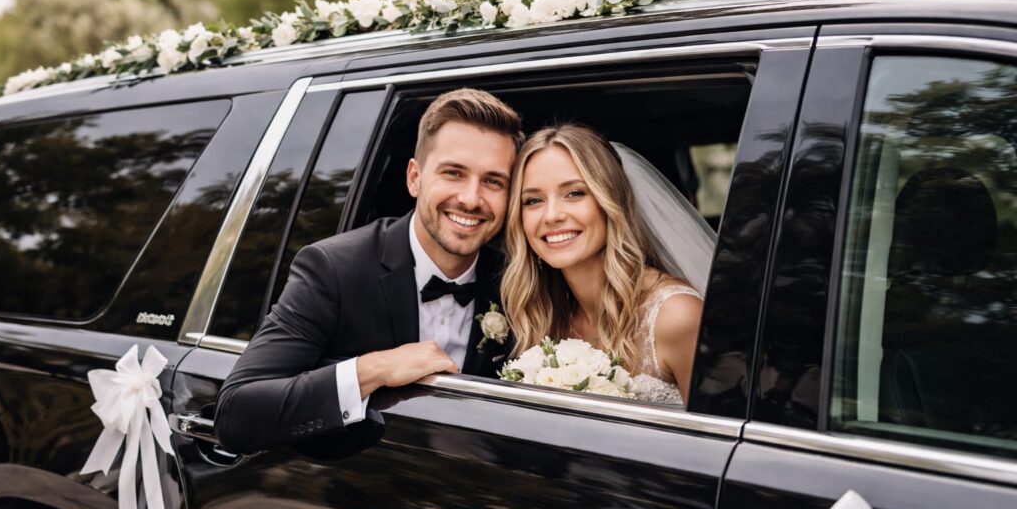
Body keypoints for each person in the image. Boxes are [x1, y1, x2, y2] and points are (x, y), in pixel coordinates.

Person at [215, 88, 523, 453]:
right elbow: (236, 414)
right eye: (453, 173)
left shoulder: (517, 283)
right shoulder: (332, 269)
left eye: (493, 181)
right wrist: (371, 370)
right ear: (414, 178)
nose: (471, 199)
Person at [501, 124, 714, 404]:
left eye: (574, 193)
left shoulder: (676, 317)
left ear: (610, 201)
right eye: (533, 200)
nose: (551, 215)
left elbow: (718, 441)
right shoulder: (545, 314)